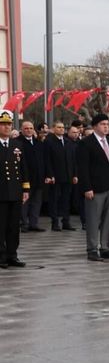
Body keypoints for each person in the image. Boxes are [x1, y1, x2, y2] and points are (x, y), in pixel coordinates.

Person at [76, 114, 109, 261]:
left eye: (107, 124)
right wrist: (86, 188)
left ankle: (105, 247)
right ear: (95, 126)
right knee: (93, 219)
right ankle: (92, 249)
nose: (106, 126)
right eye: (103, 124)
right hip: (95, 188)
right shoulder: (86, 143)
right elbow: (83, 168)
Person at [0, 110, 29, 267]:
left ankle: (12, 255)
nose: (6, 127)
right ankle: (1, 256)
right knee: (1, 226)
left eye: (9, 124)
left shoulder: (17, 145)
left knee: (13, 227)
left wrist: (25, 189)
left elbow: (24, 168)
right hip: (1, 193)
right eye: (3, 124)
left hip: (15, 192)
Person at [44, 121, 77, 231]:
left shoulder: (68, 142)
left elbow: (73, 160)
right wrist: (50, 175)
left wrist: (74, 175)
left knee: (66, 200)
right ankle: (55, 222)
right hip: (55, 176)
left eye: (63, 127)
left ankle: (66, 221)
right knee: (54, 200)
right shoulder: (49, 142)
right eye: (59, 127)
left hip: (68, 176)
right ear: (53, 129)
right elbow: (47, 160)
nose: (61, 129)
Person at [13, 121, 45, 232]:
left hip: (38, 178)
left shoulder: (38, 143)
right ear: (22, 130)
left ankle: (34, 223)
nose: (29, 130)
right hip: (25, 178)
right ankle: (24, 224)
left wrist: (47, 175)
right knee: (24, 202)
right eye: (26, 128)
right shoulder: (17, 143)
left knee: (36, 202)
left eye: (31, 128)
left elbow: (44, 161)